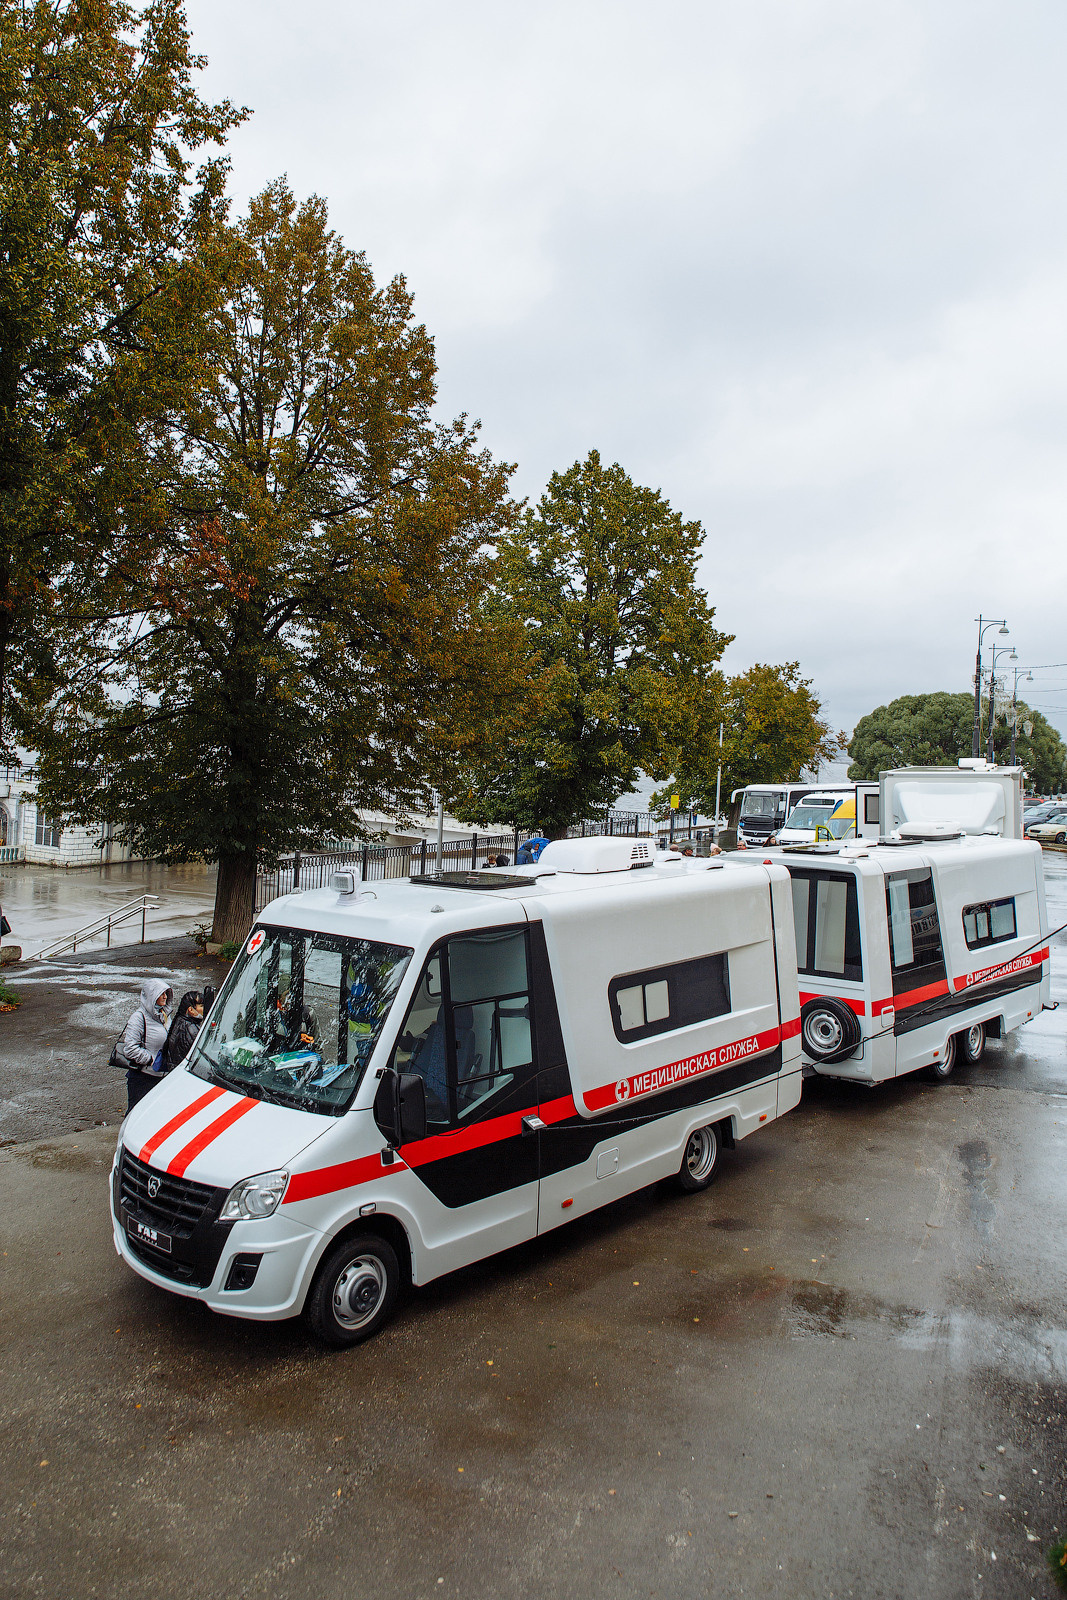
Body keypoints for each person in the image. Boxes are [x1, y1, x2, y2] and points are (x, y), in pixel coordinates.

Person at [122, 979, 173, 1111]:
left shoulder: (164, 1015)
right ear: (151, 995)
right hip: (142, 1079)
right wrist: (151, 1060)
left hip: (163, 1077)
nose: (165, 997)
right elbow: (130, 1048)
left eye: (166, 993)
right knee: (137, 1115)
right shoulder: (138, 1018)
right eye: (161, 994)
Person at [161, 991, 205, 1072]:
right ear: (191, 1009)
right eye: (201, 1006)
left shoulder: (180, 1021)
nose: (205, 1008)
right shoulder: (191, 1029)